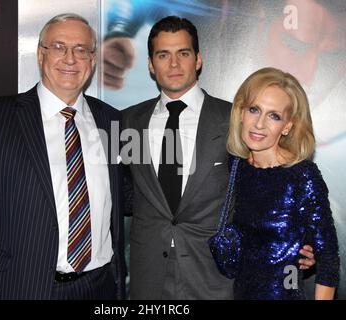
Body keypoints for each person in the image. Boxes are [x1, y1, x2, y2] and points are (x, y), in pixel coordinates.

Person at [121, 16, 314, 300]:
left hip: (213, 281)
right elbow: (120, 192)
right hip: (147, 280)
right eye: (163, 55)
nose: (174, 64)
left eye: (183, 53)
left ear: (198, 59)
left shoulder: (237, 122)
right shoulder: (128, 121)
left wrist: (299, 238)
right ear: (151, 64)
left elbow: (276, 183)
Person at [0, 13, 126, 300]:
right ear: (41, 54)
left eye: (81, 49)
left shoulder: (112, 121)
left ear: (92, 59)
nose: (70, 58)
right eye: (59, 47)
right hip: (21, 287)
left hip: (98, 288)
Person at [226, 67, 340, 300]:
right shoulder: (234, 167)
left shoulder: (301, 175)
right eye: (254, 109)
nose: (259, 124)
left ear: (287, 126)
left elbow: (328, 258)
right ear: (240, 112)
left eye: (274, 115)